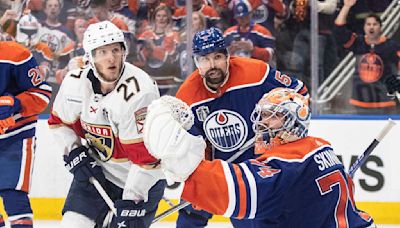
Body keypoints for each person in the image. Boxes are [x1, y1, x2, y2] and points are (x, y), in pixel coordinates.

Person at [143, 88, 376, 227]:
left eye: (271, 117)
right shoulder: (322, 149)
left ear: (293, 122)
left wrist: (183, 161)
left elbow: (234, 190)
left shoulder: (291, 163)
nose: (261, 123)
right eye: (261, 115)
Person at [174, 27, 308, 228]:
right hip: (221, 169)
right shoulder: (186, 97)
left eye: (217, 56)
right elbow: (192, 145)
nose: (212, 65)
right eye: (204, 59)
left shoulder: (256, 73)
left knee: (250, 220)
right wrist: (200, 177)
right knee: (190, 215)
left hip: (258, 167)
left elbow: (300, 93)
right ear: (196, 63)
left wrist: (283, 133)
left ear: (228, 56)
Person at [47, 21, 166, 228]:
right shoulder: (75, 82)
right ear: (90, 57)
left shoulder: (139, 92)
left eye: (115, 50)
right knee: (72, 224)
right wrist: (74, 151)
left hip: (142, 179)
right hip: (98, 170)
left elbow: (146, 160)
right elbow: (59, 123)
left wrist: (132, 200)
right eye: (102, 52)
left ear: (124, 52)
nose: (111, 58)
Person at [0, 41, 52, 227]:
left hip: (15, 136)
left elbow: (42, 93)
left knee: (14, 196)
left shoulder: (16, 55)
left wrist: (15, 105)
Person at [334, 0, 400, 114]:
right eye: (368, 24)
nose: (371, 27)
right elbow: (339, 30)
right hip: (360, 101)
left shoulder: (391, 46)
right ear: (364, 27)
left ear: (380, 27)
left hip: (385, 102)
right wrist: (346, 6)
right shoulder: (358, 42)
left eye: (375, 24)